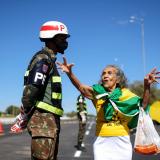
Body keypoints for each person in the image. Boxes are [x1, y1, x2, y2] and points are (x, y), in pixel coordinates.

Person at [57, 57, 160, 160]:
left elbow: (143, 106)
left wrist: (147, 86)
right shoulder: (97, 92)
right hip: (101, 141)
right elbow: (81, 87)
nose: (105, 75)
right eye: (103, 73)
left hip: (122, 141)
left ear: (118, 79)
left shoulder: (126, 94)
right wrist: (69, 73)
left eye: (109, 73)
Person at [11, 21, 70, 160]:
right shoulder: (43, 59)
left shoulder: (50, 60)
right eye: (62, 38)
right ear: (52, 38)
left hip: (49, 122)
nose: (65, 41)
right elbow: (31, 90)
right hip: (43, 121)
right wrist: (26, 111)